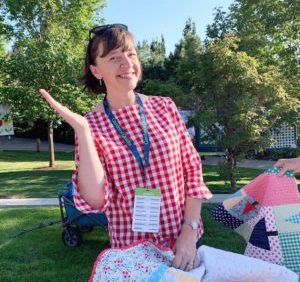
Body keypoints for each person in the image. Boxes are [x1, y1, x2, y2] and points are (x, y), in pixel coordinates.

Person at [40, 23, 212, 271]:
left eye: (131, 53)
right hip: (130, 253)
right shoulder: (91, 125)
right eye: (114, 57)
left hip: (181, 245)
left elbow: (193, 172)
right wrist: (84, 132)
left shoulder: (165, 108)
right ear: (96, 70)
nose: (127, 63)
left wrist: (190, 231)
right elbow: (96, 201)